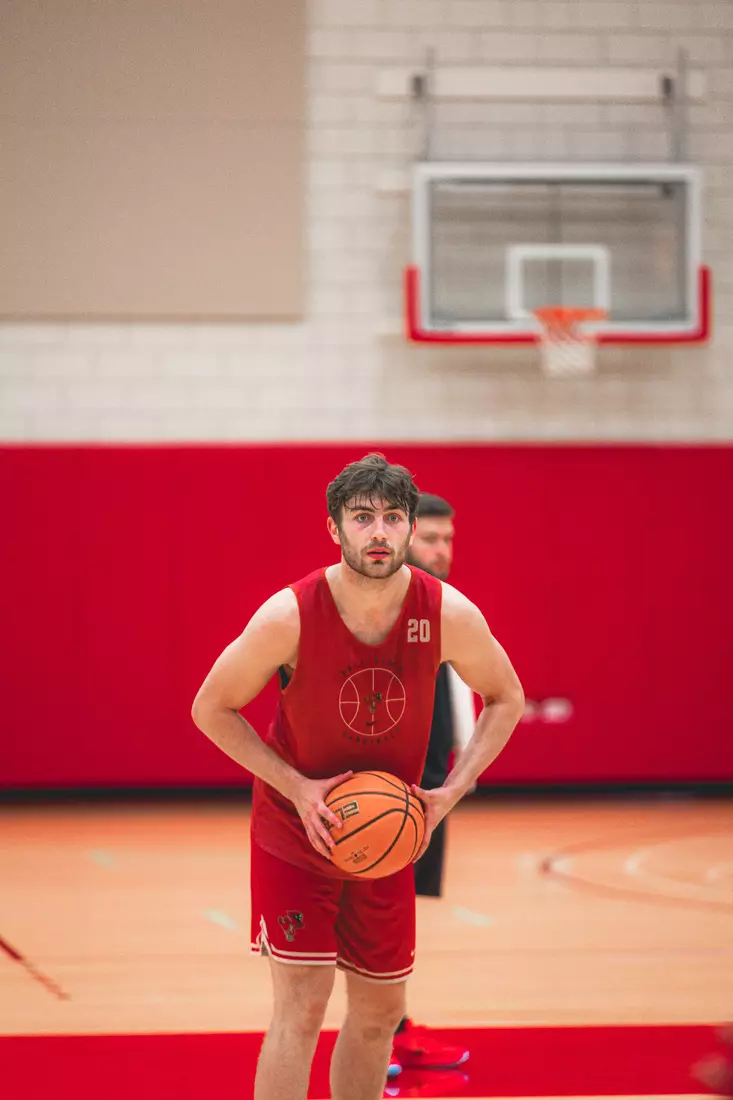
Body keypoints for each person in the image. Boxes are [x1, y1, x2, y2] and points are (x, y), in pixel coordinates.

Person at [191, 453, 524, 1100]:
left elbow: (506, 696)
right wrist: (296, 787)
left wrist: (449, 793)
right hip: (298, 828)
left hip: (384, 833)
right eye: (362, 517)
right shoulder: (288, 615)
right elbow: (210, 707)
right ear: (334, 528)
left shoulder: (446, 612)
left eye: (392, 518)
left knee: (378, 1013)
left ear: (409, 528)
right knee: (302, 1005)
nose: (379, 532)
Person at [388, 491, 478, 1078]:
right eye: (431, 539)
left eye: (448, 540)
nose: (442, 550)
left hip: (432, 786)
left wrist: (463, 761)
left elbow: (462, 685)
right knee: (381, 918)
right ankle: (381, 1037)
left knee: (401, 915)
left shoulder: (443, 607)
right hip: (391, 790)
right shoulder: (385, 609)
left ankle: (393, 1030)